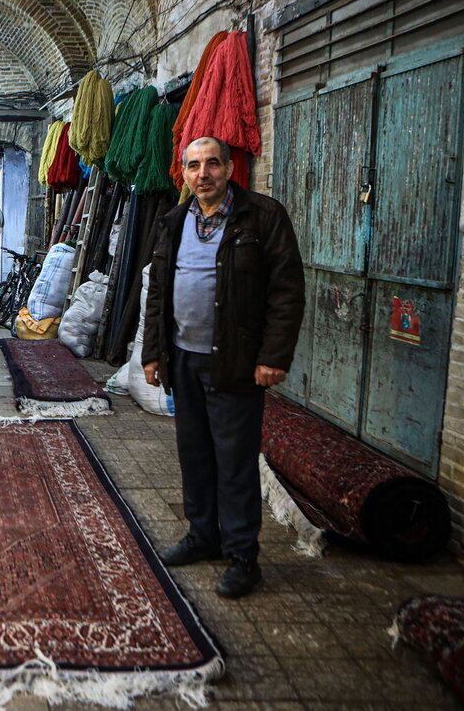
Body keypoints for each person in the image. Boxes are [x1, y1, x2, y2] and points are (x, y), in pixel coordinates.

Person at [142, 137, 305, 599]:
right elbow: (158, 292)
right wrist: (153, 352)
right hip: (183, 358)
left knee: (234, 462)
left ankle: (241, 556)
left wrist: (273, 356)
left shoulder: (262, 216)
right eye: (193, 165)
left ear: (229, 168)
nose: (203, 173)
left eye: (212, 163)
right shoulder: (173, 222)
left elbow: (287, 291)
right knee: (194, 454)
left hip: (234, 361)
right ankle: (202, 536)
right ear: (184, 173)